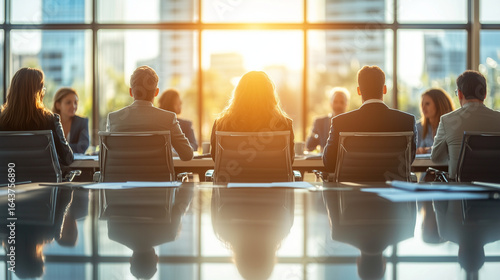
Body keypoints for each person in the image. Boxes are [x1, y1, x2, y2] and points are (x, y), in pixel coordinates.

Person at [322, 65, 417, 173]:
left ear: (359, 91)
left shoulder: (340, 122)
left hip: (352, 186)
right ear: (384, 89)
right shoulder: (407, 121)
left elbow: (329, 163)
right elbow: (409, 160)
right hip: (391, 187)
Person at [106, 66, 193, 161]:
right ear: (156, 92)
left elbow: (106, 158)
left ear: (131, 92)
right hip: (158, 176)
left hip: (123, 176)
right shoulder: (168, 118)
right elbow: (187, 155)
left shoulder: (113, 118)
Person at [210, 71, 294, 161]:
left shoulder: (222, 124)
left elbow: (216, 158)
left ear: (238, 94)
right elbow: (289, 160)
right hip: (270, 175)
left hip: (235, 175)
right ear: (270, 96)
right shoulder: (284, 124)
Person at [431, 70, 500, 179]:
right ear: (485, 94)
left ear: (459, 94)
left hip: (460, 191)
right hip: (494, 190)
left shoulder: (447, 120)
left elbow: (436, 158)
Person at [0, 67, 73, 166]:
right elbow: (67, 158)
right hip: (43, 180)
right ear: (39, 93)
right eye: (42, 88)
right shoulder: (50, 120)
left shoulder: (2, 120)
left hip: (10, 179)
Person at [306, 87, 350, 151]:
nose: (338, 105)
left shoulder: (352, 122)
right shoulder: (319, 123)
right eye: (335, 102)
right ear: (330, 103)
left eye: (342, 102)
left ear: (347, 105)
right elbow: (309, 146)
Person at [52, 87, 90, 153]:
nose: (73, 106)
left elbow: (82, 146)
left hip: (76, 162)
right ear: (58, 105)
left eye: (75, 102)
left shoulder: (82, 122)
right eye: (68, 102)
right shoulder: (50, 122)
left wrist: (59, 148)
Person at [416, 88, 454, 154]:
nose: (423, 108)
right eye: (422, 104)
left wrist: (426, 150)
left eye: (427, 104)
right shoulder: (418, 127)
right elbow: (412, 152)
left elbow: (450, 150)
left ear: (439, 105)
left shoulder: (452, 126)